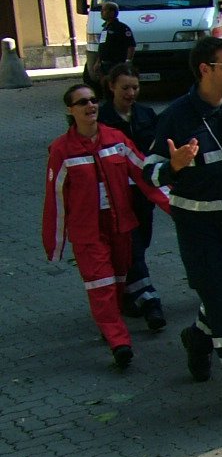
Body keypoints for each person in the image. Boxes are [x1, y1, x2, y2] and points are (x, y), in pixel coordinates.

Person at [142, 37, 222, 422]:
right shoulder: (178, 115)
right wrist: (174, 166)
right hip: (198, 227)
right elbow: (148, 172)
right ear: (205, 69)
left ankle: (197, 337)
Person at [43, 84, 170, 368]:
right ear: (70, 110)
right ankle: (119, 342)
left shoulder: (116, 139)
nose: (90, 106)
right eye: (82, 102)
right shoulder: (61, 150)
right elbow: (56, 200)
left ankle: (111, 325)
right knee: (101, 284)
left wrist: (177, 206)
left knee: (118, 280)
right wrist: (55, 244)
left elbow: (145, 175)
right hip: (88, 231)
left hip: (120, 224)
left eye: (92, 100)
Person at [98, 63, 164, 330]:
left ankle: (127, 290)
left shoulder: (146, 115)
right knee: (132, 246)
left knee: (141, 242)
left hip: (143, 191)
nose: (131, 93)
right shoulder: (101, 119)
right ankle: (149, 301)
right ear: (112, 86)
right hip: (116, 193)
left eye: (135, 87)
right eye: (125, 87)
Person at [91, 2, 135, 87]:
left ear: (112, 12)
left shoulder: (121, 28)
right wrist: (98, 62)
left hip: (116, 64)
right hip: (104, 64)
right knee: (106, 86)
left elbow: (131, 46)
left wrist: (128, 61)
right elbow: (103, 46)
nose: (101, 12)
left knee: (115, 86)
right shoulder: (106, 28)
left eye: (104, 10)